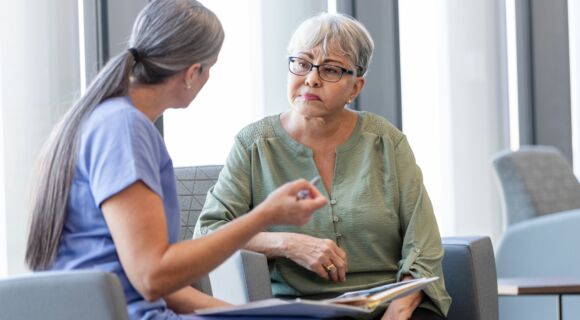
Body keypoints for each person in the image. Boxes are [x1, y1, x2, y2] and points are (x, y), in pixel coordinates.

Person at [24, 1, 327, 320]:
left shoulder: (105, 120)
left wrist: (249, 315)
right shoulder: (125, 129)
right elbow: (153, 277)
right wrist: (265, 214)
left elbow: (157, 284)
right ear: (193, 72)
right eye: (210, 68)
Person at [195, 13, 451, 320]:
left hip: (393, 309)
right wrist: (286, 244)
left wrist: (398, 311)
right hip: (303, 312)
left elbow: (422, 245)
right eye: (302, 63)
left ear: (356, 87)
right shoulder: (254, 145)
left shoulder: (387, 142)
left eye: (330, 70)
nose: (311, 78)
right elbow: (208, 234)